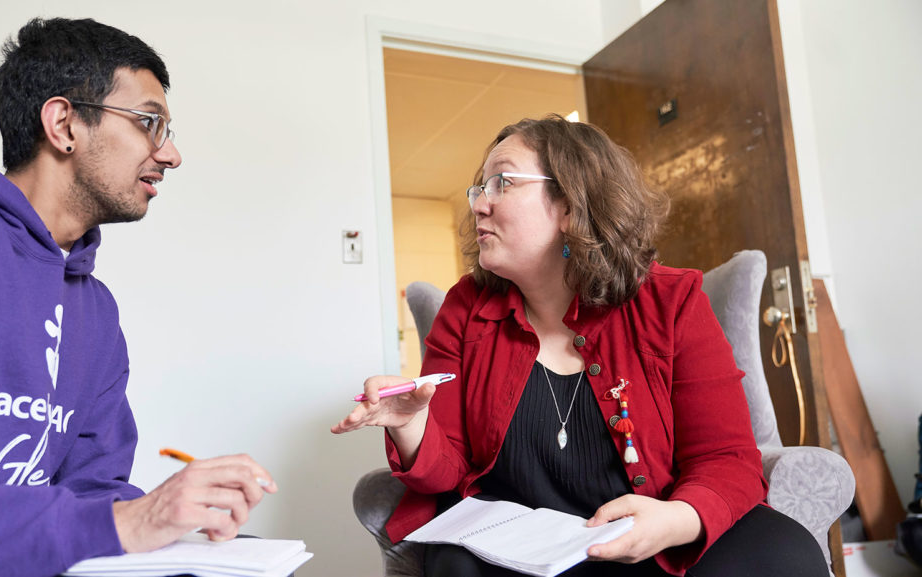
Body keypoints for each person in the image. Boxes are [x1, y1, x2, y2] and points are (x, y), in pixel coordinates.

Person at [332, 116, 829, 576]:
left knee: (785, 551)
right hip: (519, 549)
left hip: (649, 531)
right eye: (479, 188)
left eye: (502, 183)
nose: (479, 203)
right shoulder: (466, 308)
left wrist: (675, 520)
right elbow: (447, 474)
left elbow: (725, 457)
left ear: (570, 206)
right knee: (453, 564)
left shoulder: (671, 301)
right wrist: (412, 423)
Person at [0, 18, 276, 576]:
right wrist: (131, 522)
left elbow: (92, 489)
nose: (171, 155)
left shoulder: (94, 308)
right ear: (64, 123)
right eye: (150, 122)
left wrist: (170, 518)